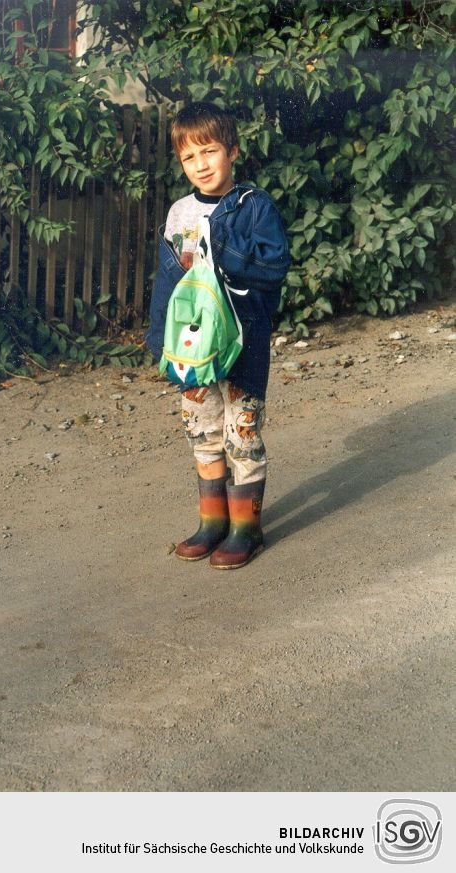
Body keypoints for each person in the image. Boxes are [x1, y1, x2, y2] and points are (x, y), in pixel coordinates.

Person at [146, 102, 291, 569]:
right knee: (202, 429)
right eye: (190, 157)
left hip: (243, 340)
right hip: (194, 346)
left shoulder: (256, 207)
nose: (201, 165)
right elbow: (170, 286)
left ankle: (246, 530)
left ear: (233, 151)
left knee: (241, 434)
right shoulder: (179, 213)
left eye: (209, 152)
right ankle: (213, 523)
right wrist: (160, 343)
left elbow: (274, 266)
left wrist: (222, 248)